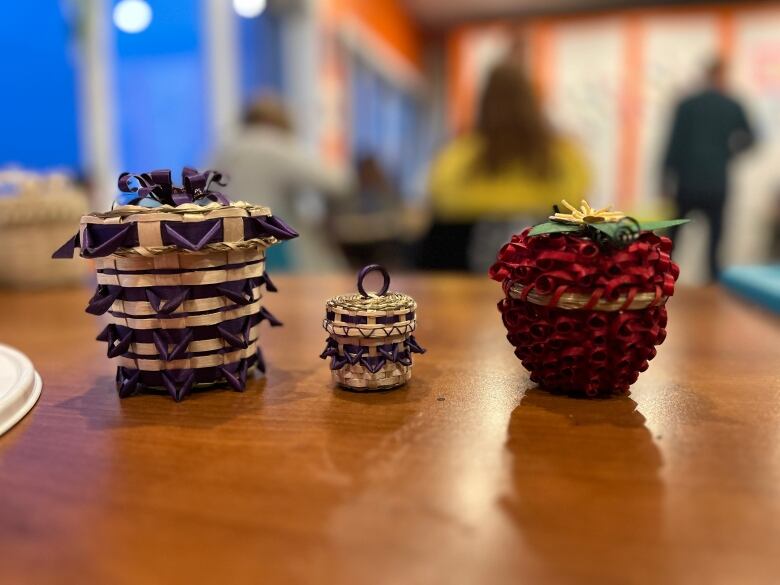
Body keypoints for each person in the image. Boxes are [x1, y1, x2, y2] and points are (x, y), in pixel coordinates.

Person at [419, 60, 589, 271]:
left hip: (462, 283)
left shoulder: (454, 158)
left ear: (483, 102)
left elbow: (437, 220)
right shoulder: (567, 158)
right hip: (544, 284)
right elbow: (580, 222)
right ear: (532, 101)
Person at [214, 96, 353, 271]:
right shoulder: (274, 142)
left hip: (225, 242)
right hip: (271, 245)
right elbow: (337, 181)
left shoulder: (225, 149)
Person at [662, 58, 755, 281]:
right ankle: (713, 290)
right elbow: (751, 138)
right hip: (716, 183)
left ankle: (660, 281)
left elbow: (672, 144)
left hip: (687, 182)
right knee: (714, 246)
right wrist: (729, 153)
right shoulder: (732, 105)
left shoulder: (687, 104)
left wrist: (665, 179)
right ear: (722, 75)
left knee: (672, 241)